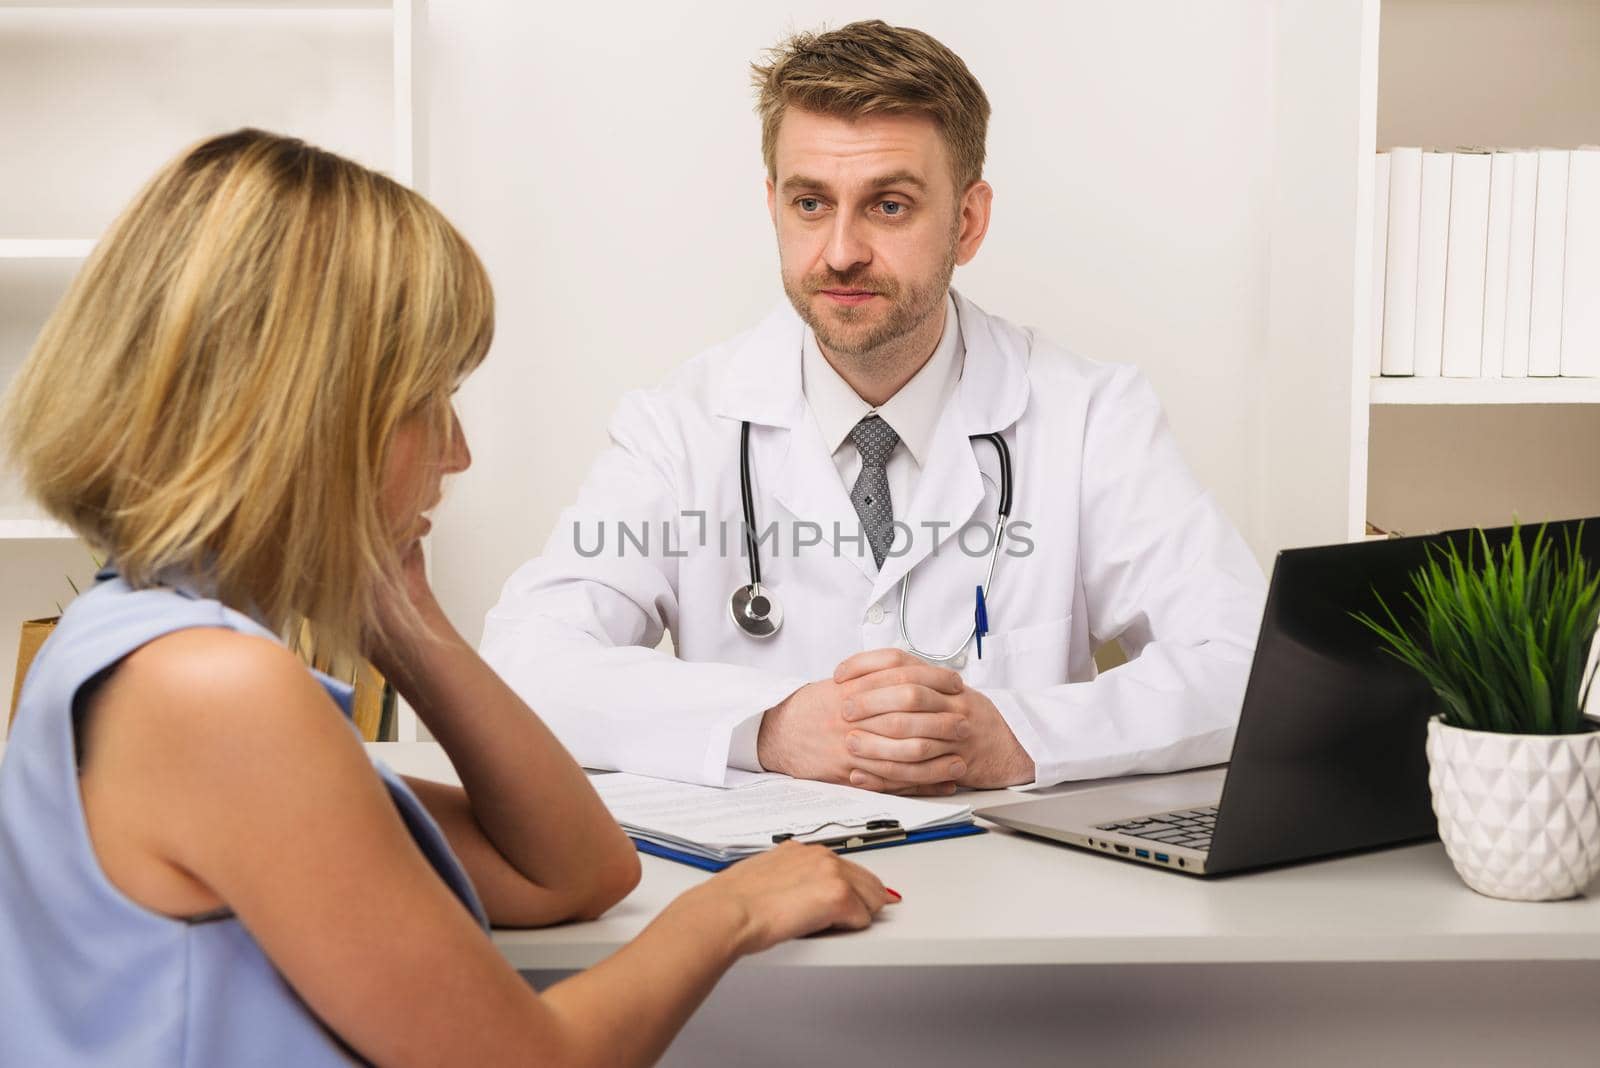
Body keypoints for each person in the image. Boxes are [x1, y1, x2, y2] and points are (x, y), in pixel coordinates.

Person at [0, 130, 894, 1068]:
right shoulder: (215, 692)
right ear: (306, 412)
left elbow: (574, 874)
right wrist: (737, 906)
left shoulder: (136, 634)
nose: (457, 452)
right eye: (431, 396)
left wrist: (407, 620)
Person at [481, 20, 1268, 795]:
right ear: (774, 206)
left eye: (888, 205)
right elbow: (525, 661)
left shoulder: (1091, 417)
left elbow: (1245, 658)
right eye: (811, 203)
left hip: (1021, 896)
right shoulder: (680, 427)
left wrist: (1020, 734)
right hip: (766, 898)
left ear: (968, 220)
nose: (841, 250)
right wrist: (773, 724)